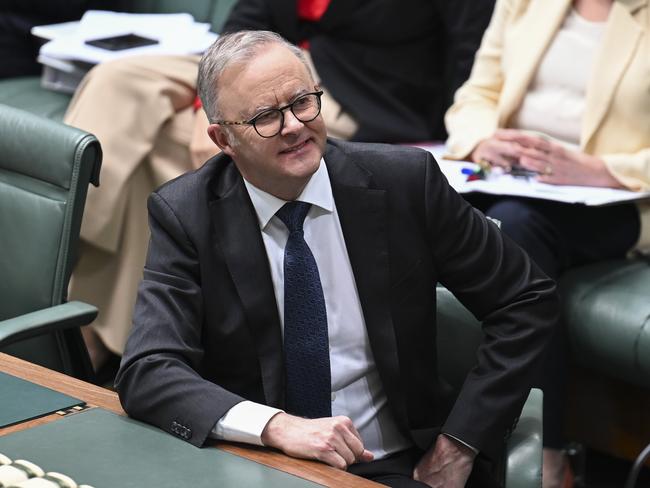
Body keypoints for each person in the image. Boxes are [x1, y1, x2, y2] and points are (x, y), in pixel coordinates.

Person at [115, 30, 558, 488]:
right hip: (256, 464)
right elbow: (149, 369)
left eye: (302, 102)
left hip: (395, 465)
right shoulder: (186, 214)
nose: (293, 126)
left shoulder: (406, 183)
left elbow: (526, 299)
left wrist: (459, 444)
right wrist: (275, 426)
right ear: (223, 139)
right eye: (266, 116)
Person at [64, 0, 496, 373]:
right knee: (116, 81)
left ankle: (95, 325)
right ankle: (63, 240)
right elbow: (246, 19)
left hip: (359, 93)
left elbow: (471, 51)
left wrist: (466, 135)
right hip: (262, 68)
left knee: (157, 145)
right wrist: (205, 105)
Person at [444, 0, 650, 486]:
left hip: (620, 199)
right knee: (424, 206)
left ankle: (545, 453)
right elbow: (477, 93)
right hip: (515, 183)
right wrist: (483, 141)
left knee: (513, 231)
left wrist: (602, 170)